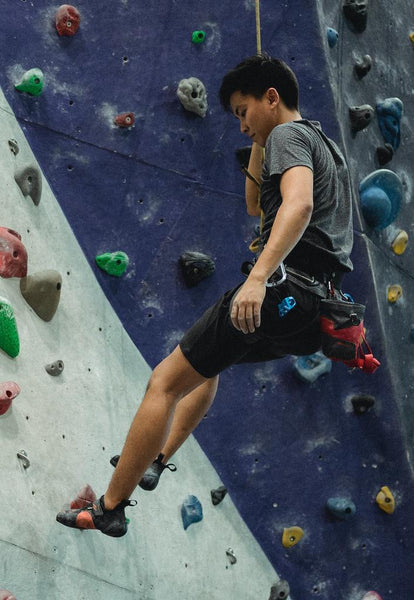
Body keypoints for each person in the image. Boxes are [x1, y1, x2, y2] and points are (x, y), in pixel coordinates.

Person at [56, 54, 353, 537]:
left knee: (165, 382)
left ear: (271, 98)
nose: (240, 126)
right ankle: (157, 458)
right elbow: (257, 203)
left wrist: (258, 278)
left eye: (242, 111)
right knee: (211, 362)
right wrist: (259, 138)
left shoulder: (288, 136)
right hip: (315, 312)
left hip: (283, 287)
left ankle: (110, 507)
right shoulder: (322, 147)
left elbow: (296, 206)